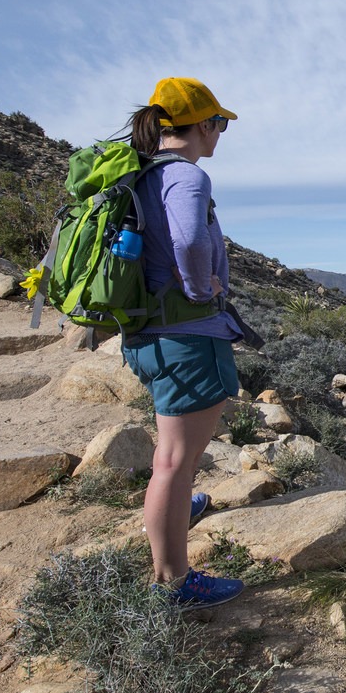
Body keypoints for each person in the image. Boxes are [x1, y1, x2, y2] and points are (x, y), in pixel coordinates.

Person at [119, 77, 248, 609]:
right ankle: (173, 581)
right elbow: (191, 239)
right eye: (217, 122)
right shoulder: (188, 178)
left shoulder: (141, 175)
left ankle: (175, 511)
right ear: (197, 127)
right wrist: (201, 290)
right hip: (187, 336)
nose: (220, 132)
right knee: (175, 459)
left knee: (170, 454)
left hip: (148, 334)